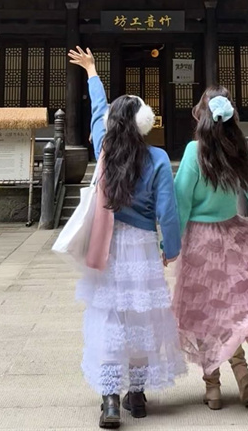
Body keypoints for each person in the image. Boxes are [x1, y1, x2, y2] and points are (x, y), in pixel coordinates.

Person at [68, 47, 186, 429]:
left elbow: (97, 111)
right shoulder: (158, 158)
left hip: (107, 245)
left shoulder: (104, 148)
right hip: (142, 247)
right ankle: (137, 395)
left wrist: (92, 72)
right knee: (140, 318)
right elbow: (167, 211)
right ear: (143, 123)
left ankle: (110, 400)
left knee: (109, 318)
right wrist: (171, 247)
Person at [172, 86, 248, 410]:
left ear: (201, 115)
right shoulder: (237, 151)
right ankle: (241, 369)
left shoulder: (195, 152)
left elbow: (181, 202)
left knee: (203, 312)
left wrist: (169, 243)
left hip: (199, 242)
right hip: (232, 235)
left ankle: (212, 388)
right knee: (230, 309)